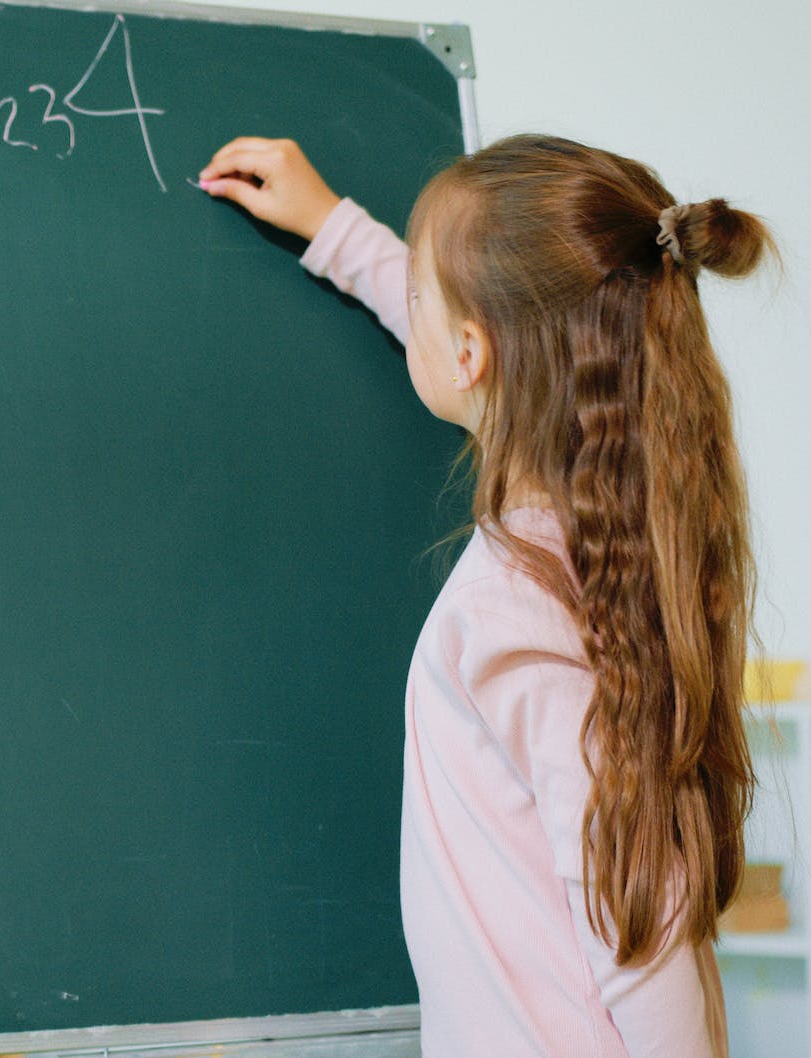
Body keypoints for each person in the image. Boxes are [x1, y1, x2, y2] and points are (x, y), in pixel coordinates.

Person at [198, 135, 774, 1057]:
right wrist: (338, 231)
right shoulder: (609, 551)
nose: (412, 303)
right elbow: (495, 330)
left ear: (471, 351)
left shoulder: (518, 613)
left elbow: (641, 930)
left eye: (422, 295)